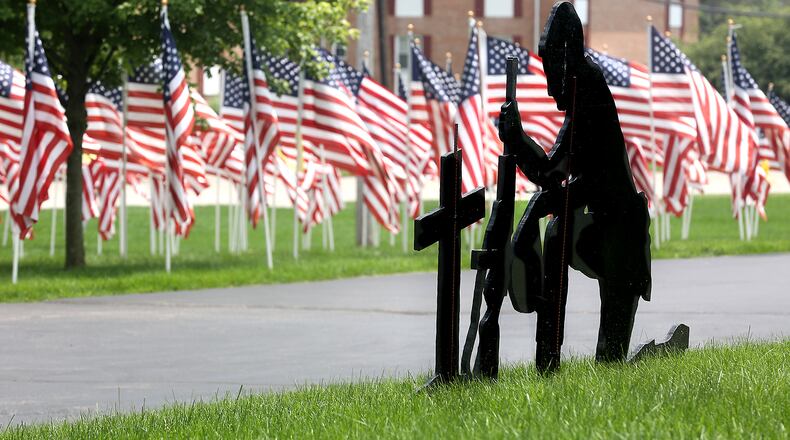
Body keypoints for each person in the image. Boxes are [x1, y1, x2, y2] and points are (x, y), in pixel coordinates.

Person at [498, 1, 651, 373]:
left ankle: (572, 362)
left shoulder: (590, 92)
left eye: (553, 70)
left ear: (566, 61)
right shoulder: (583, 90)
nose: (551, 89)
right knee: (555, 233)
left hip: (620, 235)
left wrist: (517, 140)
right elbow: (559, 175)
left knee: (610, 358)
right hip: (600, 225)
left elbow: (552, 171)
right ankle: (547, 358)